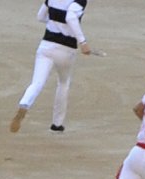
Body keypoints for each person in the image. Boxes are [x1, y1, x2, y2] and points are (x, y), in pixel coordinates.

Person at [12, 0, 88, 132]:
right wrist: (83, 41)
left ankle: (24, 103)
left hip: (46, 45)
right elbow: (70, 17)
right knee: (63, 83)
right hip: (66, 49)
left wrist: (55, 23)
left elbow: (40, 17)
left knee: (37, 83)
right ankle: (56, 124)